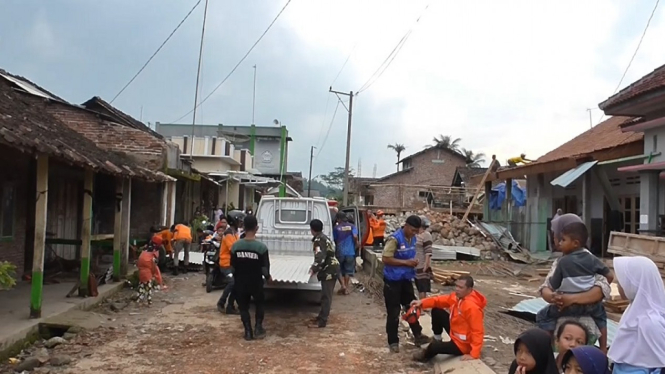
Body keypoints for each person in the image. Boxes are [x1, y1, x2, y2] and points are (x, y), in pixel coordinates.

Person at [537, 221, 613, 352]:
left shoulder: (562, 262)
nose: (559, 242)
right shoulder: (592, 259)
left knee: (543, 316)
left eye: (562, 239)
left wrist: (559, 297)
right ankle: (603, 348)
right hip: (591, 307)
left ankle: (546, 348)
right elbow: (609, 277)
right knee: (601, 315)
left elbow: (550, 285)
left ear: (575, 243)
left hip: (564, 307)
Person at [608, 256, 665, 373]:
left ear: (634, 283)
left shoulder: (650, 322)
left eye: (622, 281)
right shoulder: (633, 310)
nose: (618, 285)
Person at [382, 215, 429, 353]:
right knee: (394, 312)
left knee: (412, 308)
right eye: (413, 230)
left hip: (406, 279)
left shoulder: (413, 238)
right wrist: (405, 263)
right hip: (393, 281)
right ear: (406, 226)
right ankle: (393, 342)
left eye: (416, 231)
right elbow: (386, 258)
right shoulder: (394, 239)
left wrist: (413, 263)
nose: (414, 233)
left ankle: (418, 335)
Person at [411, 275, 486, 362]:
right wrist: (422, 303)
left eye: (461, 287)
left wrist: (474, 354)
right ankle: (437, 338)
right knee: (437, 310)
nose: (457, 289)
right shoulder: (458, 297)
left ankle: (424, 357)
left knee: (434, 347)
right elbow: (440, 300)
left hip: (463, 345)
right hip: (456, 333)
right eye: (456, 286)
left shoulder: (472, 307)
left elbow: (477, 331)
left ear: (469, 290)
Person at [231, 215, 271, 341]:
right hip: (256, 282)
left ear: (243, 227)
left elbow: (232, 267)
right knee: (259, 304)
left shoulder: (235, 246)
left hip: (240, 282)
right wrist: (268, 277)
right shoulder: (261, 248)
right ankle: (258, 328)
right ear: (256, 228)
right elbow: (264, 268)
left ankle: (248, 331)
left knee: (243, 307)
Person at [308, 219, 340, 328]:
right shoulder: (324, 237)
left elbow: (320, 256)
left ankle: (322, 321)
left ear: (312, 229)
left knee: (326, 296)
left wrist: (314, 268)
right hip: (331, 267)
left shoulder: (318, 240)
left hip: (329, 270)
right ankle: (321, 316)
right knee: (325, 295)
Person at [216, 211, 244, 314]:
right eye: (239, 220)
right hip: (226, 264)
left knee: (236, 284)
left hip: (232, 263)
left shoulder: (235, 232)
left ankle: (230, 306)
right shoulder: (228, 233)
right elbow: (233, 248)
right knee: (232, 283)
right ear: (234, 221)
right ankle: (221, 302)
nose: (241, 222)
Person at [332, 211, 358, 295]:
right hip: (350, 252)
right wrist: (356, 243)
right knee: (348, 270)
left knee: (338, 269)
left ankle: (342, 285)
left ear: (338, 219)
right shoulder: (352, 226)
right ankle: (346, 288)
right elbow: (355, 236)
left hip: (340, 252)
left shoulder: (336, 228)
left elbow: (334, 239)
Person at [137, 236, 165, 305]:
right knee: (148, 286)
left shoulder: (145, 248)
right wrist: (156, 276)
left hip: (141, 267)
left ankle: (140, 298)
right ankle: (149, 300)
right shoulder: (155, 251)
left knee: (141, 284)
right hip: (148, 269)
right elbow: (154, 264)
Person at [414, 216, 433, 299]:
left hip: (422, 265)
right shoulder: (416, 235)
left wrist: (426, 265)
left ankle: (423, 305)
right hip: (415, 265)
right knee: (418, 286)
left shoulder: (426, 235)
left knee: (422, 288)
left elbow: (428, 252)